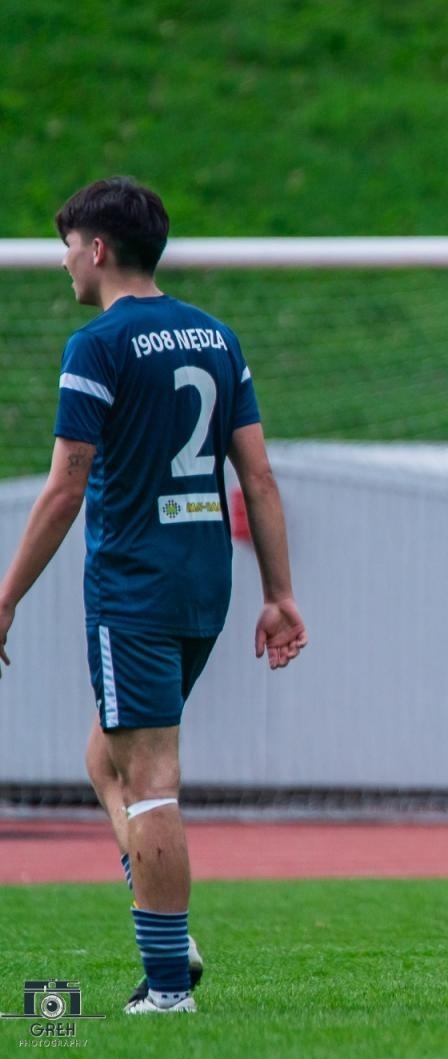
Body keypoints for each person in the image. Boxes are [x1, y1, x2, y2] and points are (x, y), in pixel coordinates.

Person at [0, 177, 308, 1015]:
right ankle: (166, 919)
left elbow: (67, 488)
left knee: (150, 776)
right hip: (207, 582)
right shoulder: (216, 335)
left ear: (98, 250)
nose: (64, 259)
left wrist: (7, 595)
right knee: (106, 756)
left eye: (68, 244)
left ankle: (168, 985)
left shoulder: (96, 346)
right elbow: (261, 476)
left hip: (134, 588)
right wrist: (278, 594)